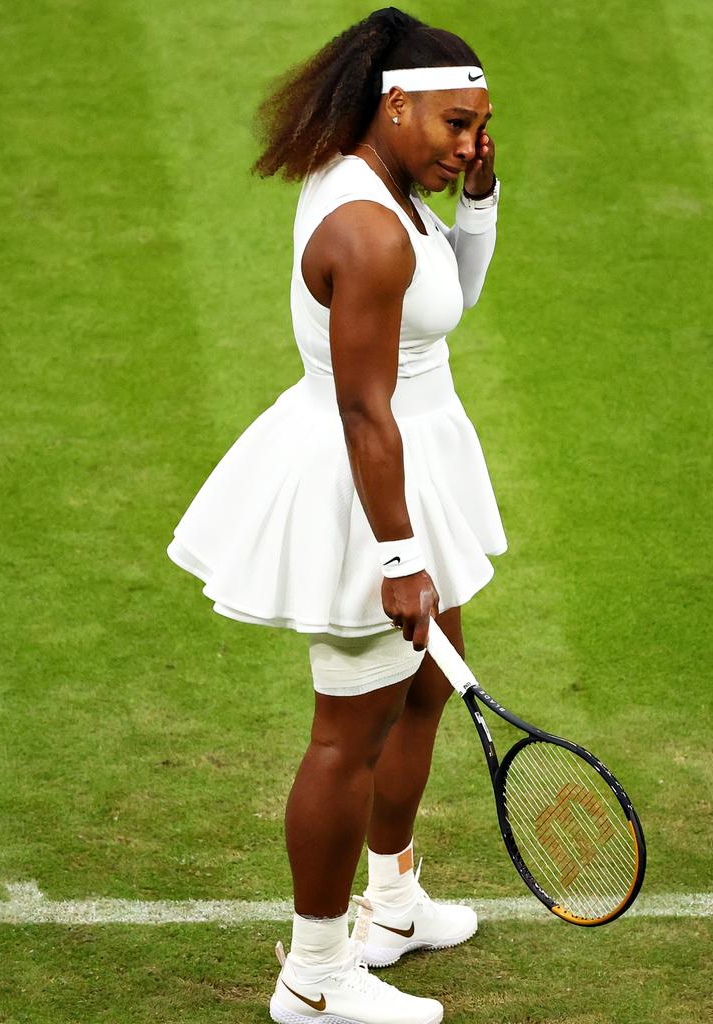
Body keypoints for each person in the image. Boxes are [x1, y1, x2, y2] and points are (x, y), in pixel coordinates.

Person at [166, 7, 507, 1023]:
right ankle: (314, 978)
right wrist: (398, 557)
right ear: (393, 104)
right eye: (455, 127)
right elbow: (366, 408)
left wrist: (479, 196)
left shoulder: (393, 185)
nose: (468, 145)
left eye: (481, 128)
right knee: (345, 734)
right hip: (368, 484)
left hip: (415, 460)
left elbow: (451, 290)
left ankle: (392, 904)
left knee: (428, 685)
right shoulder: (363, 228)